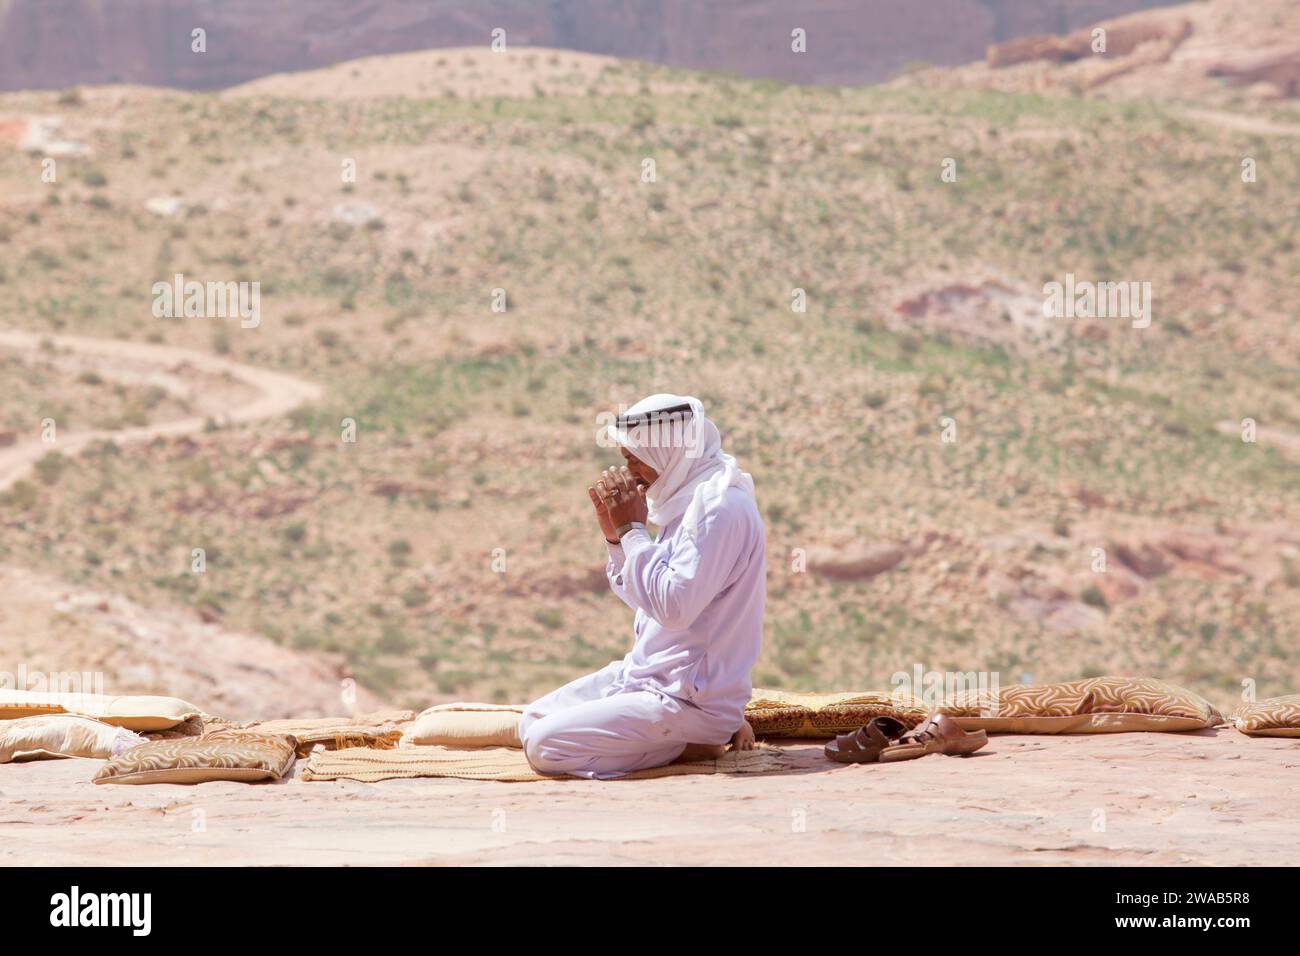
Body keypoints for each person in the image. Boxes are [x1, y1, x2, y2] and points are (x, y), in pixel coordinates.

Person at [519, 394, 766, 779]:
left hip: (687, 699)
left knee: (545, 745)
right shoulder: (682, 500)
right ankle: (681, 739)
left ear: (667, 451)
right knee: (531, 720)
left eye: (636, 458)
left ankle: (694, 741)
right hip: (646, 677)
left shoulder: (718, 509)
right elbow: (646, 599)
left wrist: (633, 530)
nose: (629, 472)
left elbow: (673, 608)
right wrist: (616, 538)